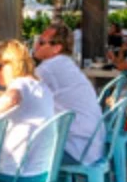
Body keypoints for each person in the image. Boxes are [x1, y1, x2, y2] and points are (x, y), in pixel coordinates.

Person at [0, 39, 57, 180]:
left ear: (13, 64)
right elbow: (9, 104)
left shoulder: (20, 85)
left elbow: (11, 99)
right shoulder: (40, 86)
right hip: (41, 173)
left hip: (16, 174)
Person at [32, 22, 105, 165]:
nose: (36, 46)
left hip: (77, 148)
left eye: (41, 42)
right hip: (91, 142)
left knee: (19, 153)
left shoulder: (48, 69)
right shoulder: (65, 63)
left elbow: (22, 98)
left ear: (56, 48)